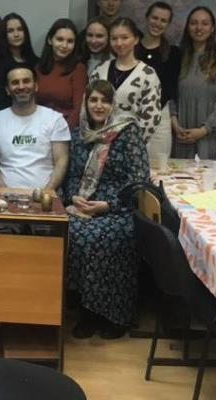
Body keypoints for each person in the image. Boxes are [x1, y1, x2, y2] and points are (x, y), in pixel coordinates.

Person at [64, 79, 149, 339]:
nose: (99, 106)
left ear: (114, 104)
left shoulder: (128, 132)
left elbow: (139, 179)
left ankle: (114, 315)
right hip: (83, 204)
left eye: (105, 100)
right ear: (86, 103)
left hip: (119, 206)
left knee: (103, 236)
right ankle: (87, 312)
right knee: (73, 233)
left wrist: (109, 205)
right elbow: (71, 175)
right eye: (93, 100)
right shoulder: (79, 134)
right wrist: (74, 197)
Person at [0, 65, 70, 190]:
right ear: (7, 90)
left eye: (26, 81)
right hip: (5, 196)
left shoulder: (55, 119)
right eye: (15, 83)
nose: (21, 87)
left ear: (36, 86)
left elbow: (61, 161)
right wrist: (6, 193)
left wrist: (46, 193)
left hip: (46, 195)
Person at [170, 7, 216, 160]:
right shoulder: (178, 57)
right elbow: (170, 94)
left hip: (212, 137)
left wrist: (204, 130)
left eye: (205, 23)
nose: (199, 28)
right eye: (194, 23)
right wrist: (175, 125)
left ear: (212, 28)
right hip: (183, 136)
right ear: (187, 27)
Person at [92, 18, 163, 156]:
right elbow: (87, 108)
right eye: (114, 38)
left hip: (132, 149)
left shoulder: (147, 74)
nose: (119, 43)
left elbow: (151, 118)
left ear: (136, 39)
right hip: (98, 145)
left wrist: (129, 145)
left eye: (125, 38)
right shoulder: (100, 70)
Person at [35, 19, 87, 130]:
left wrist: (62, 132)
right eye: (60, 39)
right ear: (50, 40)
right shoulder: (39, 68)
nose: (64, 45)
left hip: (66, 128)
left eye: (70, 41)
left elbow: (79, 109)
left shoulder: (79, 69)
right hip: (39, 127)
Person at [0, 12, 39, 115]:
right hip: (7, 117)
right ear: (4, 35)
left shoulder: (35, 62)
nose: (16, 34)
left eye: (20, 29)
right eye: (10, 31)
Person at [135, 1, 180, 105]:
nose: (158, 24)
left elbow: (170, 89)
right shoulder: (131, 48)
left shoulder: (174, 54)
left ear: (168, 25)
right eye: (155, 18)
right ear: (146, 18)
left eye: (163, 21)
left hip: (158, 109)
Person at [81, 17, 111, 82]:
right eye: (90, 35)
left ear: (109, 37)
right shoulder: (79, 61)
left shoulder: (114, 63)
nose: (93, 41)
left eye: (99, 36)